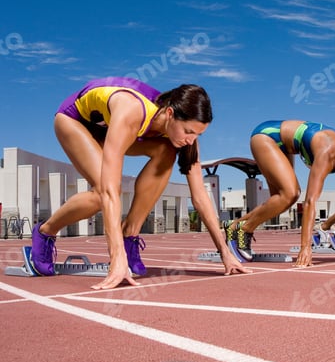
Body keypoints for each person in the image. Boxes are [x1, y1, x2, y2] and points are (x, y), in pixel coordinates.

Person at [31, 77, 247, 288]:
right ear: (170, 114)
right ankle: (45, 231)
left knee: (167, 151)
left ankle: (130, 235)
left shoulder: (184, 139)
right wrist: (117, 258)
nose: (191, 140)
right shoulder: (131, 111)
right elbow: (109, 190)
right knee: (101, 195)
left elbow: (200, 196)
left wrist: (225, 252)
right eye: (189, 131)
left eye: (198, 134)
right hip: (76, 121)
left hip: (108, 127)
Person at [222, 120, 335, 265]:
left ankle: (234, 225)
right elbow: (310, 201)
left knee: (279, 201)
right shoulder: (329, 151)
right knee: (291, 194)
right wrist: (305, 248)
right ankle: (245, 229)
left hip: (285, 147)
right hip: (267, 136)